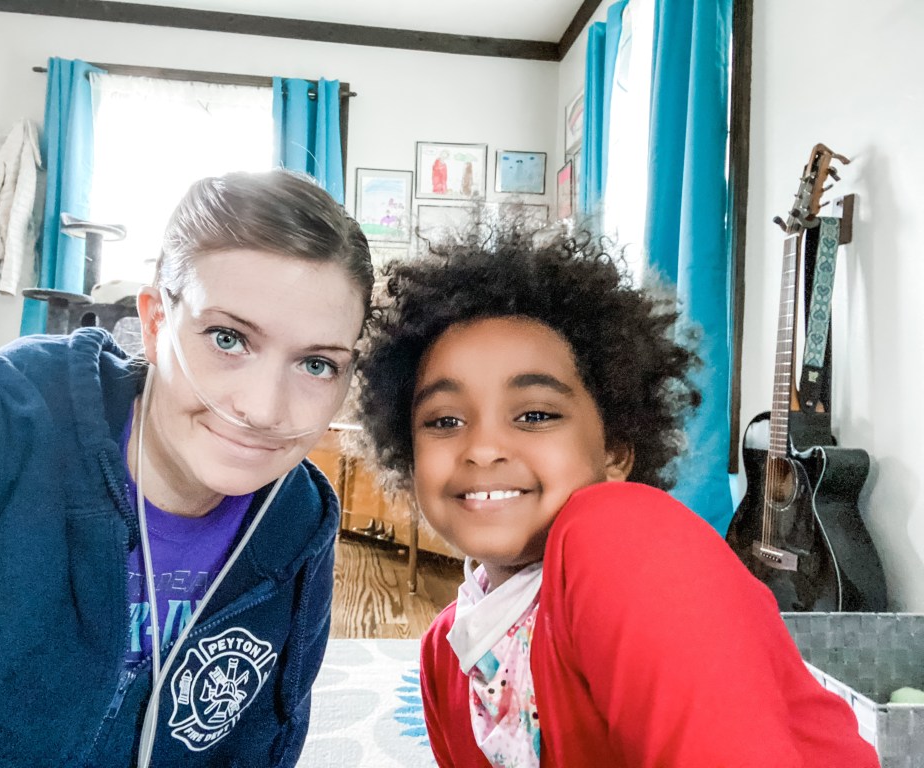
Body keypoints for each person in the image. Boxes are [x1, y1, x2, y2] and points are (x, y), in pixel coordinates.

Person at [354, 218, 880, 767]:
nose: (483, 449)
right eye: (444, 421)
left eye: (535, 415)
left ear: (616, 453)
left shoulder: (618, 538)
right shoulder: (446, 652)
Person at [0, 169, 373, 768]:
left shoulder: (297, 517)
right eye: (227, 338)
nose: (263, 409)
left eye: (316, 364)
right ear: (154, 324)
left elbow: (263, 742)